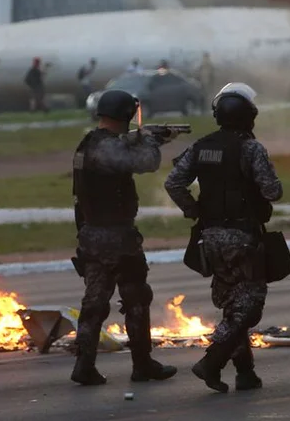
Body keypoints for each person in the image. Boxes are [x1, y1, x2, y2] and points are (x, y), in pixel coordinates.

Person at [165, 83, 283, 393]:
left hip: (210, 236)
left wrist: (194, 211)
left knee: (233, 305)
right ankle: (212, 361)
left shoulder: (202, 146)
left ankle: (245, 373)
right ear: (249, 116)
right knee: (249, 307)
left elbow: (174, 183)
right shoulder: (251, 148)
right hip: (242, 236)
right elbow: (273, 191)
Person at [70, 89, 180, 386]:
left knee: (94, 301)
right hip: (116, 236)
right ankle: (142, 364)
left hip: (91, 234)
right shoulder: (106, 149)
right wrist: (152, 140)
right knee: (136, 298)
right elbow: (147, 162)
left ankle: (84, 364)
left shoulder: (90, 143)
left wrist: (140, 136)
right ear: (127, 115)